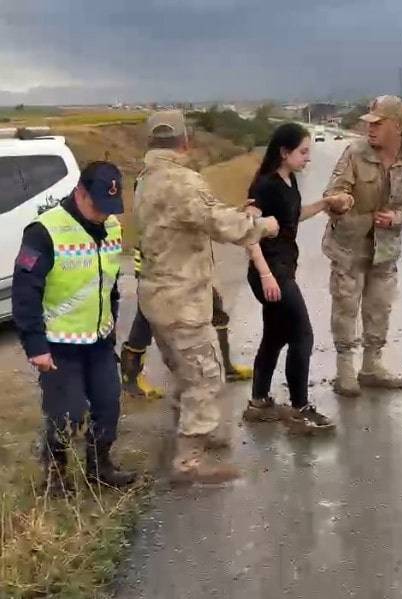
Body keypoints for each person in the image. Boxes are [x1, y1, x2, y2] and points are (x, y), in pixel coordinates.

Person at [134, 110, 278, 484]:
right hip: (182, 297)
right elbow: (220, 224)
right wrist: (263, 226)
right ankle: (189, 463)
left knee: (184, 371)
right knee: (206, 376)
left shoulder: (145, 178)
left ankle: (196, 431)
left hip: (156, 295)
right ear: (185, 141)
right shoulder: (182, 181)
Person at [12, 162, 136, 496]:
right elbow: (25, 293)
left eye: (110, 208)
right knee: (66, 414)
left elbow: (108, 283)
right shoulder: (44, 231)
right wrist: (35, 345)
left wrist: (110, 324)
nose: (103, 215)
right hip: (58, 343)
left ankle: (100, 467)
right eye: (97, 206)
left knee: (108, 405)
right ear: (80, 192)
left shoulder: (112, 227)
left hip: (97, 340)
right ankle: (56, 477)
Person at [242, 123, 352, 433]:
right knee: (302, 335)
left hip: (283, 269)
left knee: (276, 336)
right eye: (303, 152)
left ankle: (259, 402)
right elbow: (248, 231)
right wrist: (265, 275)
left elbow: (293, 215)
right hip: (271, 272)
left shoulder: (288, 180)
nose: (308, 158)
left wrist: (325, 205)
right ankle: (300, 409)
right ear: (284, 152)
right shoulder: (263, 185)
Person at [322, 95, 402, 397]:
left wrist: (399, 217)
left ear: (396, 126)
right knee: (345, 308)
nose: (369, 129)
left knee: (379, 308)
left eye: (377, 124)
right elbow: (335, 189)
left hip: (385, 250)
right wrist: (340, 201)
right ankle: (344, 371)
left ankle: (371, 366)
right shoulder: (355, 153)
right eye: (368, 123)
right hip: (349, 246)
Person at [120, 253, 253, 400]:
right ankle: (130, 377)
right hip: (160, 264)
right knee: (147, 314)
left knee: (214, 303)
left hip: (190, 260)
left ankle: (224, 364)